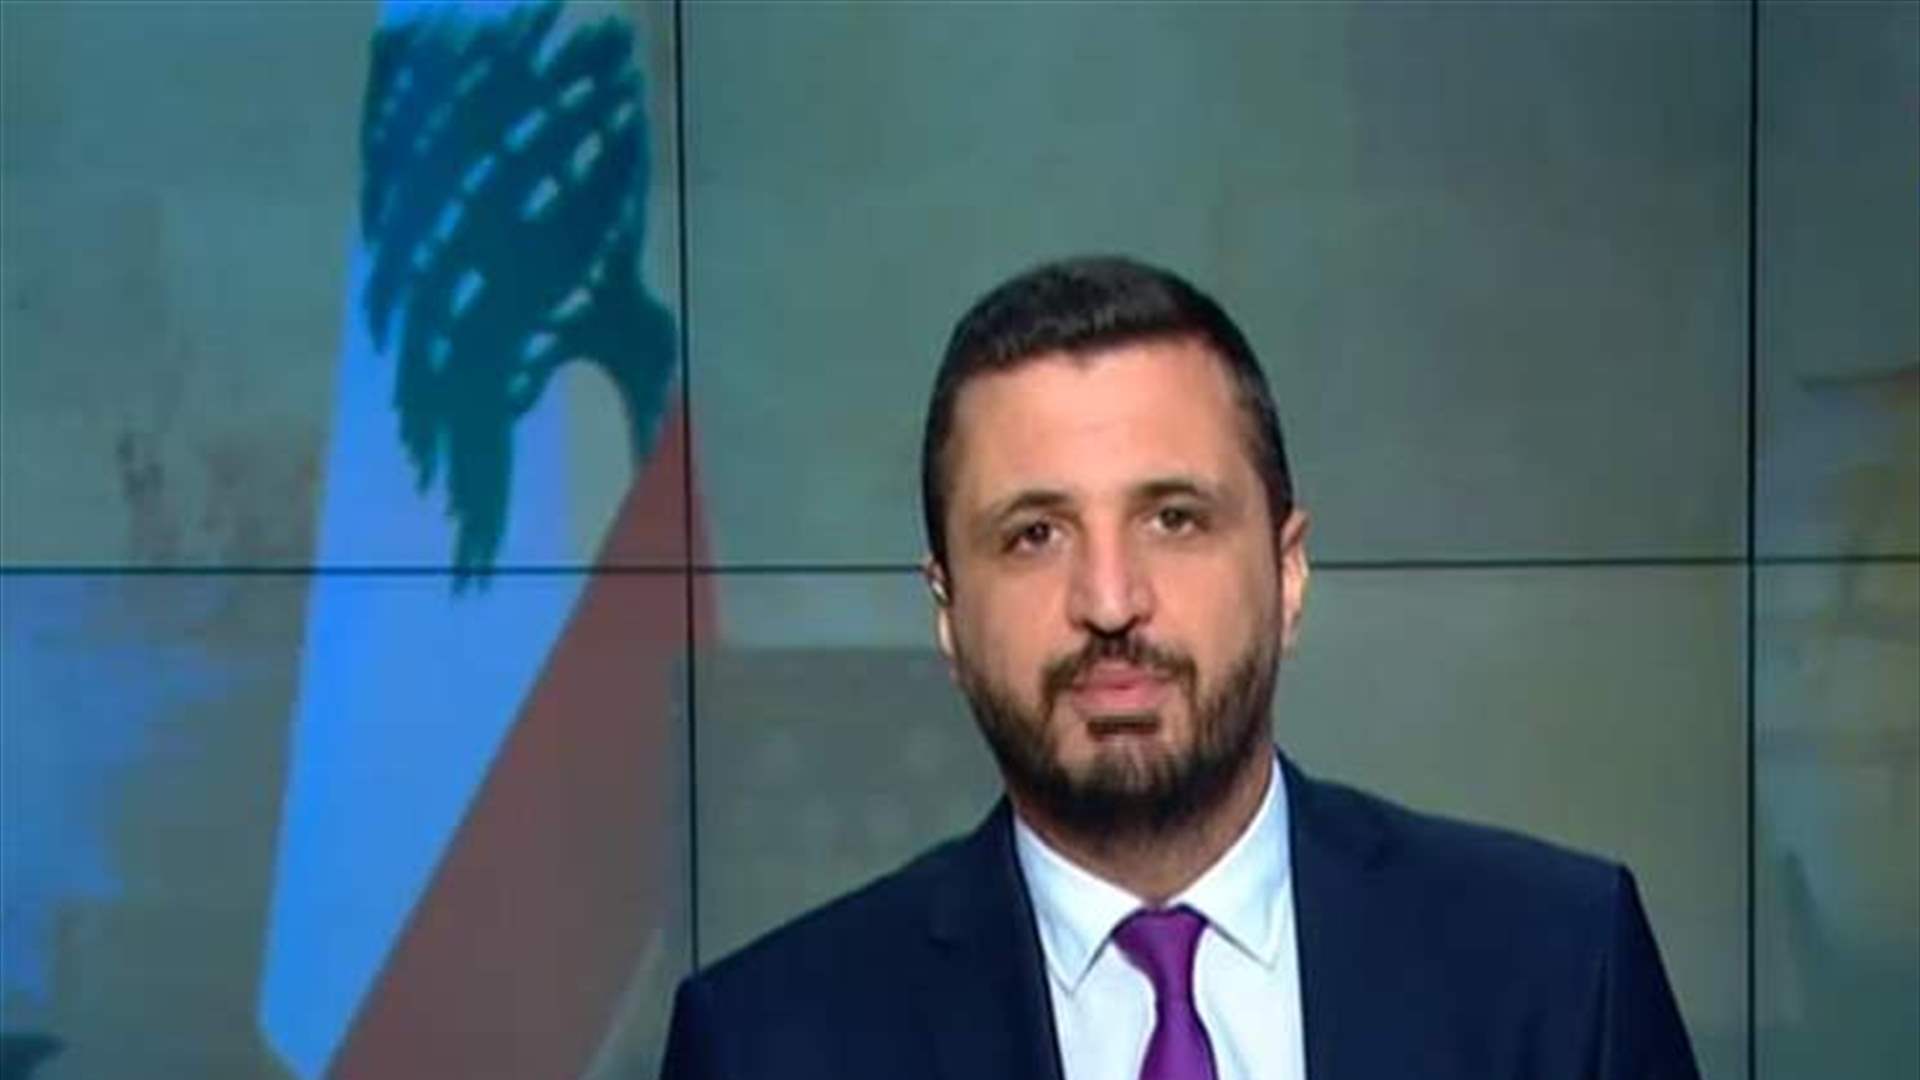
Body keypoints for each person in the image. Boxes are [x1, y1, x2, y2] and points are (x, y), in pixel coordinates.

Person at [659, 256, 1700, 1079]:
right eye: (1034, 535)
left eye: (1173, 518)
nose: (1111, 601)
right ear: (948, 613)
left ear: (1288, 572)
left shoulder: (1562, 968)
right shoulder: (765, 1045)